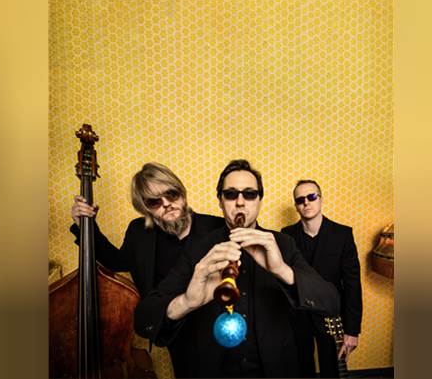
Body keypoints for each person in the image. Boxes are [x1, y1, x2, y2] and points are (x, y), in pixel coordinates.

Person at [134, 160, 340, 378]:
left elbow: (331, 302)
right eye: (231, 194)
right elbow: (144, 319)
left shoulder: (283, 243)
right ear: (220, 202)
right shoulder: (199, 249)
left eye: (249, 194)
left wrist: (282, 270)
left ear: (259, 200)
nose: (240, 202)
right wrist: (187, 302)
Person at [70, 162, 226, 378]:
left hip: (219, 325)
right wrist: (86, 226)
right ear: (144, 207)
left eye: (171, 194)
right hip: (176, 331)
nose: (167, 204)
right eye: (154, 201)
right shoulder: (138, 231)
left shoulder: (217, 227)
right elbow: (117, 262)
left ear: (182, 193)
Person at [281, 180, 363, 378]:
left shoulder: (343, 234)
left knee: (332, 370)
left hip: (331, 316)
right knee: (300, 370)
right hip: (298, 316)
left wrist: (352, 330)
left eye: (311, 197)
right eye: (300, 200)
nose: (306, 203)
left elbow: (352, 284)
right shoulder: (286, 235)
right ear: (296, 206)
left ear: (321, 199)